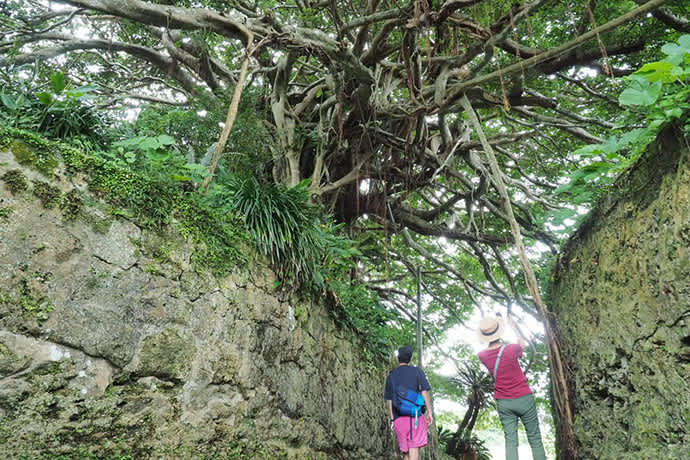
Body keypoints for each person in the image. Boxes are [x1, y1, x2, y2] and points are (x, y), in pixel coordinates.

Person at [477, 315, 546, 460]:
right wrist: (514, 327)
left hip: (504, 402)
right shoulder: (511, 349)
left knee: (511, 442)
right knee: (535, 438)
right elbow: (523, 345)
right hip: (524, 398)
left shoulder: (482, 355)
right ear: (499, 332)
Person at [384, 346, 434, 460]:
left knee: (406, 453)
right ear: (410, 358)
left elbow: (389, 400)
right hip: (415, 417)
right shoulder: (417, 372)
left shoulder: (391, 376)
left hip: (398, 419)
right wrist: (429, 412)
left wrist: (392, 419)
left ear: (398, 358)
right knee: (414, 448)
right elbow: (424, 392)